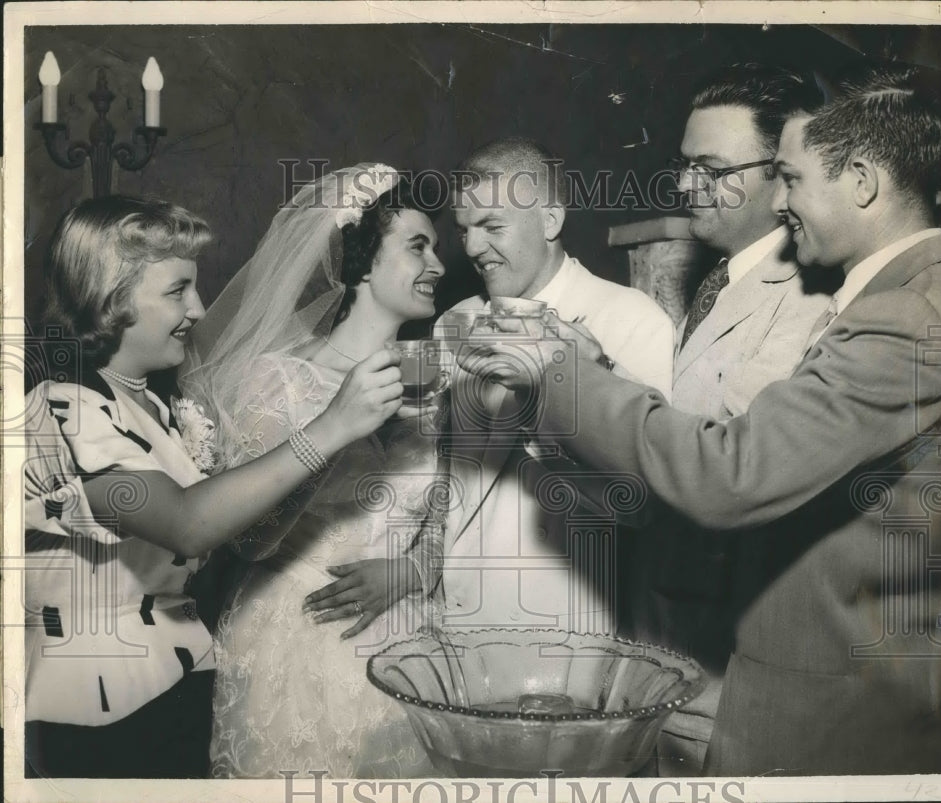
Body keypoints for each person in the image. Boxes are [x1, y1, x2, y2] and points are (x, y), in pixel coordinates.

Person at [465, 64, 941, 775]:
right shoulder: (897, 296)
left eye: (793, 180)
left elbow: (731, 468)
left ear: (860, 182)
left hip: (817, 697)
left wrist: (560, 372)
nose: (785, 204)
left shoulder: (906, 312)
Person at [23, 195, 407, 778]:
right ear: (111, 297)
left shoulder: (152, 405)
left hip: (175, 678)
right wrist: (329, 428)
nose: (199, 308)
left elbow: (234, 534)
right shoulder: (64, 409)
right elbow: (186, 522)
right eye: (177, 291)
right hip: (98, 699)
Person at [182, 164, 445, 778]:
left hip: (411, 648)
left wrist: (414, 567)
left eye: (435, 248)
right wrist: (335, 429)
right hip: (295, 639)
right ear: (360, 261)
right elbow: (246, 541)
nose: (437, 264)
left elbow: (455, 515)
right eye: (417, 246)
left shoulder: (440, 382)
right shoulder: (274, 379)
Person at [627, 64, 834, 775]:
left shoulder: (806, 296)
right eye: (683, 165)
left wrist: (587, 389)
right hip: (671, 626)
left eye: (711, 168)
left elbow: (731, 461)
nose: (686, 187)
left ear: (783, 177)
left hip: (729, 643)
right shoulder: (718, 277)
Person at [438, 138, 676, 636]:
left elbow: (642, 500)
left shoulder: (630, 320)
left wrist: (557, 387)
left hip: (561, 621)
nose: (473, 248)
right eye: (464, 230)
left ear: (549, 220)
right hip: (449, 613)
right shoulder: (454, 323)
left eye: (491, 226)